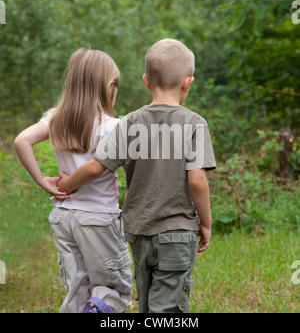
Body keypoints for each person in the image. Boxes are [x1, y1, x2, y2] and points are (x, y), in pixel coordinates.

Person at [58, 39, 216, 313]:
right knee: (168, 308)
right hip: (177, 231)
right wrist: (206, 222)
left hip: (138, 231)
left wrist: (66, 183)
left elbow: (97, 166)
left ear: (146, 81)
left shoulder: (129, 122)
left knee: (145, 300)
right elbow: (196, 180)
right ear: (187, 82)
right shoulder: (194, 123)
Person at [14, 48, 132, 313]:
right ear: (110, 86)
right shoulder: (114, 127)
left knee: (76, 287)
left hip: (63, 218)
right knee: (113, 289)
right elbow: (130, 171)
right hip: (99, 219)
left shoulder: (56, 118)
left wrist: (42, 180)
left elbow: (21, 141)